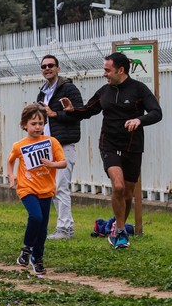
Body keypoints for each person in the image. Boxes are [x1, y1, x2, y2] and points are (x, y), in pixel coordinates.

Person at [61, 52, 162, 249]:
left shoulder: (139, 90)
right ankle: (121, 232)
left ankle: (118, 225)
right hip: (109, 145)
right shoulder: (104, 91)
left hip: (133, 147)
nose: (104, 73)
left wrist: (139, 120)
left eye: (108, 70)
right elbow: (89, 110)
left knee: (127, 193)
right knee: (117, 186)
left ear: (120, 70)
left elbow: (157, 113)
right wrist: (73, 110)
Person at [7, 104, 66, 275]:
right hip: (27, 188)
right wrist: (12, 176)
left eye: (41, 123)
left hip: (46, 190)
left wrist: (52, 164)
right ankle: (26, 249)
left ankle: (37, 258)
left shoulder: (51, 142)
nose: (37, 127)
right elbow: (10, 161)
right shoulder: (19, 145)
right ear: (25, 124)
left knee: (43, 228)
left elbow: (63, 162)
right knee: (36, 216)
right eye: (33, 123)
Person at [36, 54, 83, 240]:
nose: (47, 68)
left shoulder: (68, 89)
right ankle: (63, 226)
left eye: (51, 65)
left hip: (63, 145)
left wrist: (55, 114)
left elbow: (79, 113)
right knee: (52, 188)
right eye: (44, 66)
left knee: (60, 187)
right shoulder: (42, 92)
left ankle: (66, 229)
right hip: (47, 145)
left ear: (58, 68)